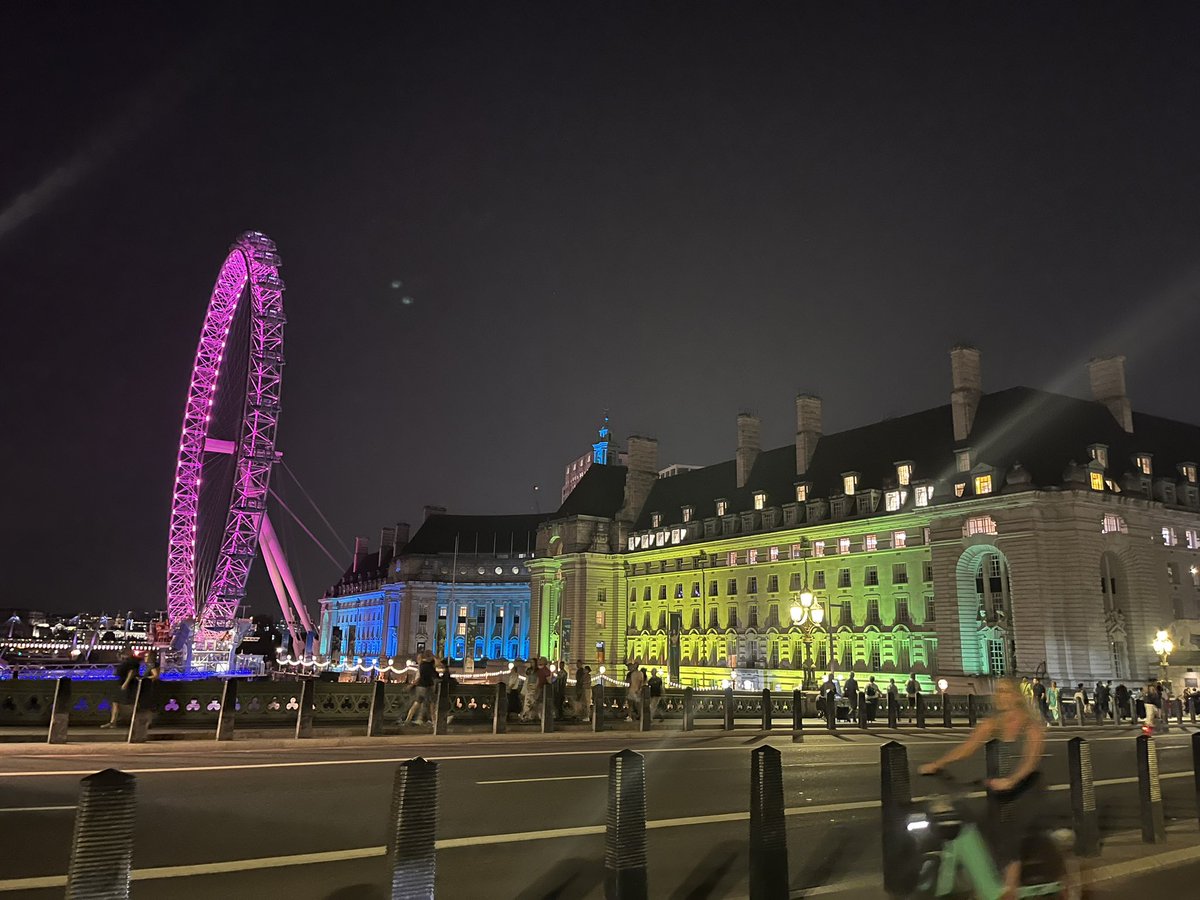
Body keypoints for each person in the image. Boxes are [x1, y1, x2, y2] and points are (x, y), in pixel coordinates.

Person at [920, 678, 1046, 899]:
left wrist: (1013, 780)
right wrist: (938, 765)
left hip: (1026, 789)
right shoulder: (992, 724)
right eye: (998, 691)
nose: (1001, 695)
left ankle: (1010, 889)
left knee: (1008, 832)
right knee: (978, 827)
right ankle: (985, 880)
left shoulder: (1030, 725)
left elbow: (1030, 760)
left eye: (1007, 691)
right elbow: (966, 749)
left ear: (1017, 696)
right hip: (1000, 790)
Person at [102, 647, 141, 728]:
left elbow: (131, 672)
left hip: (129, 685)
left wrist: (125, 684)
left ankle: (137, 721)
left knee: (130, 704)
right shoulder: (127, 661)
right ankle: (113, 722)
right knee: (115, 702)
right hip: (123, 683)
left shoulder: (132, 662)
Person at [403, 651, 436, 725]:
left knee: (417, 703)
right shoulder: (429, 665)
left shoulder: (421, 665)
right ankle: (433, 720)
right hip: (428, 686)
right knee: (431, 703)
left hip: (420, 687)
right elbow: (434, 675)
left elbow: (419, 678)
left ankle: (408, 719)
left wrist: (411, 686)